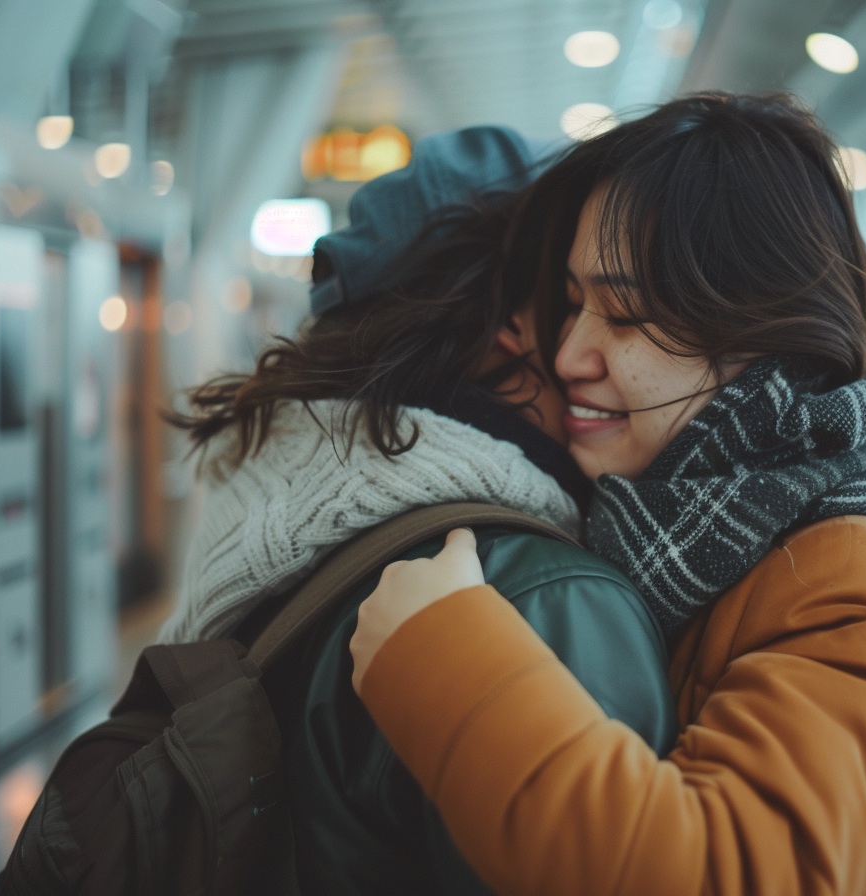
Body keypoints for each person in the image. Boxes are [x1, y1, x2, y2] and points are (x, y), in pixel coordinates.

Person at [349, 93, 866, 896]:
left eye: (624, 314)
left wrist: (439, 650)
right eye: (575, 301)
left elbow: (720, 871)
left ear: (764, 337)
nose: (569, 353)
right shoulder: (698, 535)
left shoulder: (857, 578)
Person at [160, 127, 678, 893]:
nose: (588, 345)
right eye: (579, 299)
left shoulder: (273, 506)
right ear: (507, 324)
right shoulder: (539, 593)